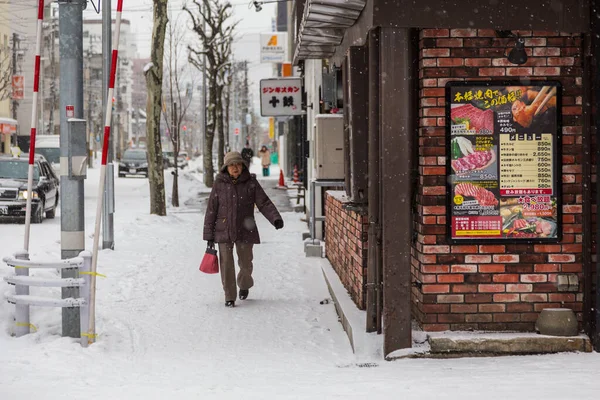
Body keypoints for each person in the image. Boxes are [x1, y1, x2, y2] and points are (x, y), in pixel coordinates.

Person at [203, 151, 284, 307]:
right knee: (226, 264)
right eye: (231, 165)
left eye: (238, 164)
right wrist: (209, 234)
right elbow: (211, 209)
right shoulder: (219, 183)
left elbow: (264, 203)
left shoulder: (251, 182)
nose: (235, 168)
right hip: (223, 228)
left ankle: (244, 284)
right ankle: (229, 296)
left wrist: (275, 218)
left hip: (246, 228)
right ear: (226, 168)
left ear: (243, 166)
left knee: (246, 264)